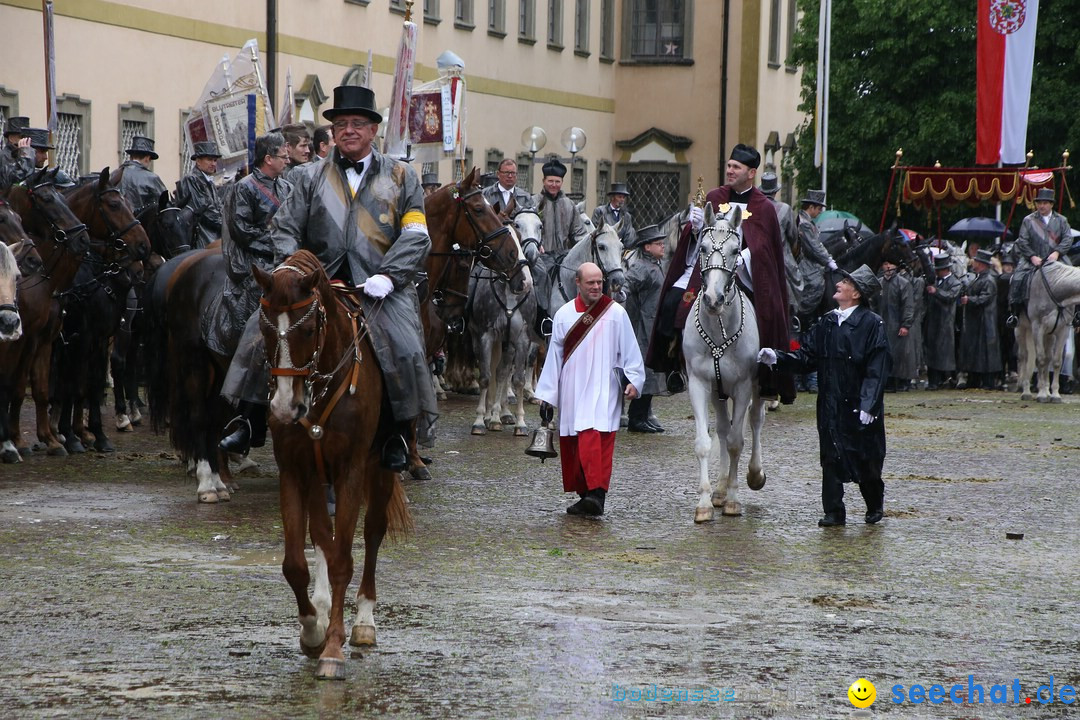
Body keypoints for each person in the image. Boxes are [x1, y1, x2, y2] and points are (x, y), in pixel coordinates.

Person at [267, 84, 435, 471]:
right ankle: (246, 418)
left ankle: (397, 434)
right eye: (341, 124)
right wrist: (294, 268)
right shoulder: (308, 176)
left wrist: (390, 276)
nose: (349, 130)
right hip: (316, 282)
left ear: (373, 130)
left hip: (380, 287)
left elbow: (415, 234)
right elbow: (285, 227)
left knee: (407, 350)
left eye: (358, 123)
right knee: (259, 331)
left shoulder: (401, 175)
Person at [646, 143, 795, 403]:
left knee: (768, 313)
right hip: (709, 268)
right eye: (728, 165)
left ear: (751, 173)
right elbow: (698, 238)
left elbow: (765, 249)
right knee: (672, 301)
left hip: (747, 273)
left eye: (736, 167)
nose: (729, 170)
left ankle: (765, 374)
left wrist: (743, 258)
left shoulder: (764, 207)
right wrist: (693, 229)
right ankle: (674, 365)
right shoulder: (714, 197)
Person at [757, 265, 890, 526]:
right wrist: (779, 358)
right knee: (830, 456)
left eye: (847, 282)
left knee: (866, 460)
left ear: (857, 294)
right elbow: (807, 357)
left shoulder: (872, 324)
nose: (839, 283)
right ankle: (833, 510)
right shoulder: (828, 321)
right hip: (830, 402)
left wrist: (869, 403)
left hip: (858, 403)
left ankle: (874, 504)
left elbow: (878, 367)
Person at [535, 262, 645, 516]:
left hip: (604, 387)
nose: (596, 287)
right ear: (578, 283)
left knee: (596, 438)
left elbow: (630, 350)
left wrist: (633, 382)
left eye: (599, 282)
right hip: (572, 388)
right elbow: (555, 356)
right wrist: (547, 396)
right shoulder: (563, 314)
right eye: (591, 283)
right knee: (575, 442)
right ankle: (586, 495)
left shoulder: (616, 313)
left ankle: (597, 495)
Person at [215, 132, 294, 455]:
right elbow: (242, 231)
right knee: (259, 336)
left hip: (284, 263)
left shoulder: (288, 188)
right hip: (254, 271)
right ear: (267, 158)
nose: (288, 159)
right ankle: (247, 419)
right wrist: (277, 248)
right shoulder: (243, 189)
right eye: (283, 154)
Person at [1007, 187, 1073, 328]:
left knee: (1074, 278)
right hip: (1032, 258)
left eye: (1045, 203)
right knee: (1017, 278)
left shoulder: (1062, 220)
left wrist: (1057, 252)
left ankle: (1076, 315)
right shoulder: (1028, 220)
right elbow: (1023, 240)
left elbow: (1068, 239)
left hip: (1056, 258)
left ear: (1051, 204)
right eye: (1039, 203)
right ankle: (1015, 313)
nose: (1041, 206)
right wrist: (1032, 256)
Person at [623, 224, 667, 432]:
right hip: (642, 327)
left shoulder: (656, 265)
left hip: (653, 325)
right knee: (644, 371)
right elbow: (625, 286)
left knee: (651, 371)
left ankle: (643, 415)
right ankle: (636, 418)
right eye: (658, 244)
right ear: (647, 247)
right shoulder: (641, 266)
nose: (663, 246)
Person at [795, 189, 839, 392]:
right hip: (807, 272)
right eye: (819, 208)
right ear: (811, 207)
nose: (820, 212)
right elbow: (814, 247)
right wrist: (828, 260)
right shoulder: (803, 224)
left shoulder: (807, 223)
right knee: (809, 324)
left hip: (810, 267)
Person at [957, 248, 1001, 390]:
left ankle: (987, 381)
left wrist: (969, 300)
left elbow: (985, 298)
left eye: (976, 261)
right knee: (975, 350)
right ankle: (974, 378)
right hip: (976, 320)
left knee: (984, 352)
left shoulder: (988, 280)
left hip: (985, 320)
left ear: (981, 264)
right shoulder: (978, 278)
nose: (973, 263)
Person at [760, 171, 802, 320]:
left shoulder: (753, 207)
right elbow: (793, 236)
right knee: (795, 281)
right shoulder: (784, 209)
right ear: (776, 191)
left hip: (755, 255)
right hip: (780, 257)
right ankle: (793, 314)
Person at [174, 141, 224, 249]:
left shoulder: (209, 181)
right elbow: (204, 211)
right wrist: (227, 226)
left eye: (215, 160)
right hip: (202, 238)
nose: (213, 164)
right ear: (198, 161)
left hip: (213, 235)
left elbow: (219, 207)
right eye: (209, 159)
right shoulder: (191, 179)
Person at [876, 258, 915, 392]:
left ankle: (901, 381)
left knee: (900, 354)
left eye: (890, 263)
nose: (887, 267)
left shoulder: (903, 283)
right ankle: (887, 381)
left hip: (897, 324)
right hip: (883, 324)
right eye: (885, 263)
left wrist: (906, 324)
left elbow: (908, 305)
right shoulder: (879, 283)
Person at [925, 252, 962, 389]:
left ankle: (946, 378)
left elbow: (951, 297)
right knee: (932, 351)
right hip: (932, 320)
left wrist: (936, 292)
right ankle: (933, 380)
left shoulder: (955, 282)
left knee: (944, 352)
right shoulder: (934, 280)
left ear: (946, 269)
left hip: (945, 321)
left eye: (938, 270)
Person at [117, 135, 168, 217]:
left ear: (131, 156)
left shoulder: (115, 175)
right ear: (147, 158)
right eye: (150, 159)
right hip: (142, 226)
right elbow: (165, 205)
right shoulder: (151, 178)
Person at [590, 182, 637, 248]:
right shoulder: (600, 211)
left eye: (623, 197)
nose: (622, 200)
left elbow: (629, 237)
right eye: (619, 197)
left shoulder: (626, 216)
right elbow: (594, 231)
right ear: (612, 197)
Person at [0, 116, 35, 190]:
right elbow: (14, 180)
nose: (25, 140)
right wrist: (25, 156)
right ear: (11, 138)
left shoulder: (27, 153)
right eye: (21, 137)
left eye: (26, 137)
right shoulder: (3, 156)